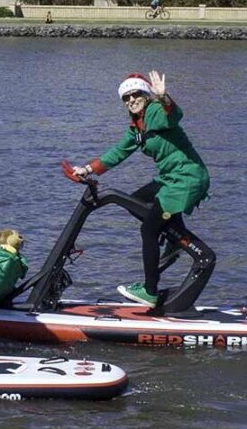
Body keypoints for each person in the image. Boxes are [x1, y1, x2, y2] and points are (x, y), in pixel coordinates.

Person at [71, 71, 213, 314]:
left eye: (136, 94)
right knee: (135, 201)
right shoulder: (136, 127)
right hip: (170, 178)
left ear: (146, 95)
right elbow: (118, 152)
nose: (131, 100)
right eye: (126, 97)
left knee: (148, 228)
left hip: (186, 178)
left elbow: (174, 116)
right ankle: (176, 240)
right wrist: (87, 169)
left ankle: (149, 290)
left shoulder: (156, 111)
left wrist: (164, 97)